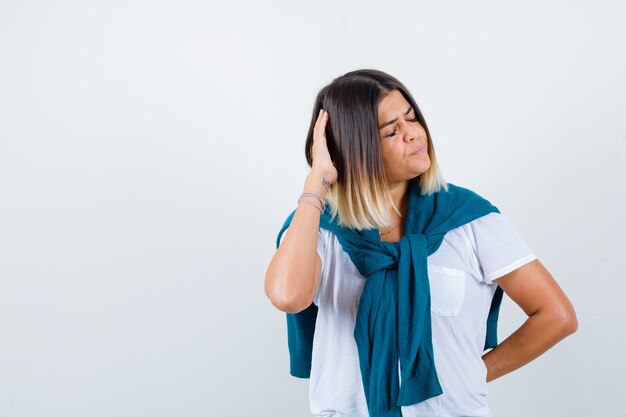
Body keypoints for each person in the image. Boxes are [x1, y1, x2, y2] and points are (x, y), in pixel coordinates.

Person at [264, 69, 577, 417]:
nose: (414, 134)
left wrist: (472, 375)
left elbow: (556, 316)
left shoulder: (467, 218)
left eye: (411, 118)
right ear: (357, 148)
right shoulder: (317, 228)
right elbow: (288, 296)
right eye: (392, 131)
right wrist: (316, 183)